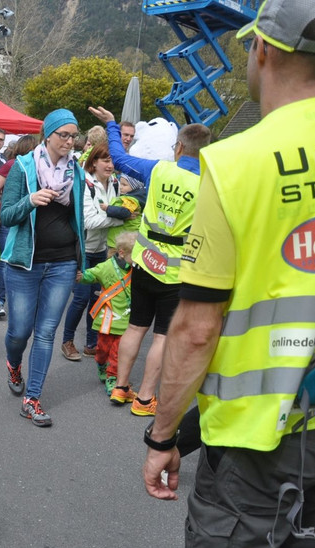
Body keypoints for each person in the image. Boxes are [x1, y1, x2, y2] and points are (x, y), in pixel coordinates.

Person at [142, 4, 315, 548]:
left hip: (254, 438)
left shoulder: (234, 162)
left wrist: (163, 436)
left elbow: (197, 328)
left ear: (261, 50)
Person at [87, 106, 211, 416]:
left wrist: (112, 125)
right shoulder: (208, 184)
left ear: (179, 147)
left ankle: (120, 387)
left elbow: (119, 158)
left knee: (135, 328)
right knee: (162, 336)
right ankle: (144, 400)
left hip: (143, 261)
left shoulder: (159, 170)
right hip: (176, 271)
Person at [0, 109, 88, 427]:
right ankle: (13, 364)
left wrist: (80, 261)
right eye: (64, 135)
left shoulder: (76, 173)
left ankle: (32, 399)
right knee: (19, 332)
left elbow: (78, 220)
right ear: (48, 135)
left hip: (62, 262)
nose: (70, 141)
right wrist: (30, 200)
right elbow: (6, 215)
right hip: (25, 264)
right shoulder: (23, 167)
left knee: (47, 332)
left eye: (74, 136)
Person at [60, 145, 137, 362]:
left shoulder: (115, 183)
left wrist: (114, 214)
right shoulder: (86, 184)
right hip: (82, 249)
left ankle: (91, 343)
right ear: (94, 163)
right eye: (105, 161)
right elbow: (89, 221)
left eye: (112, 161)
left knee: (98, 297)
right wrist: (120, 218)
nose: (110, 165)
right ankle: (67, 341)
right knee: (81, 298)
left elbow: (114, 212)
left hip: (102, 248)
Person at [76, 231, 135, 395]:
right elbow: (92, 274)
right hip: (107, 319)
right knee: (102, 350)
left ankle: (112, 378)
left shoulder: (136, 269)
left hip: (125, 319)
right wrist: (81, 276)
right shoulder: (107, 266)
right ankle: (101, 364)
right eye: (134, 254)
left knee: (117, 353)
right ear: (122, 252)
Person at [0, 134, 38, 320]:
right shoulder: (12, 165)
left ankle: (18, 303)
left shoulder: (39, 167)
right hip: (9, 219)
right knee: (6, 261)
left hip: (27, 220)